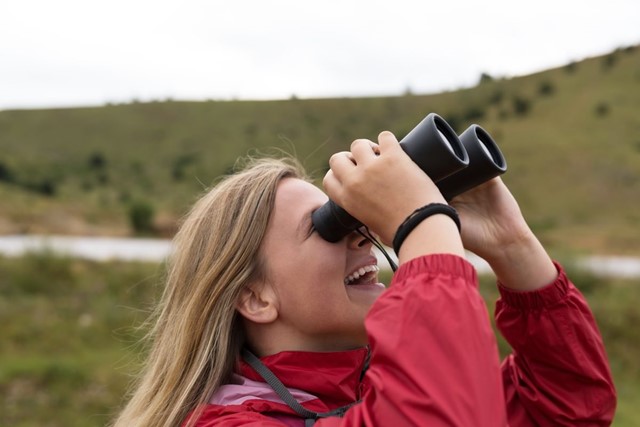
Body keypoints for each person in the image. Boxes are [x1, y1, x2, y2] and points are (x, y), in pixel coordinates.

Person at [112, 131, 616, 427]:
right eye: (326, 227)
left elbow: (566, 408)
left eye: (356, 219)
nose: (361, 237)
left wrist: (513, 245)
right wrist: (423, 224)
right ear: (254, 296)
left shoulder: (365, 392)